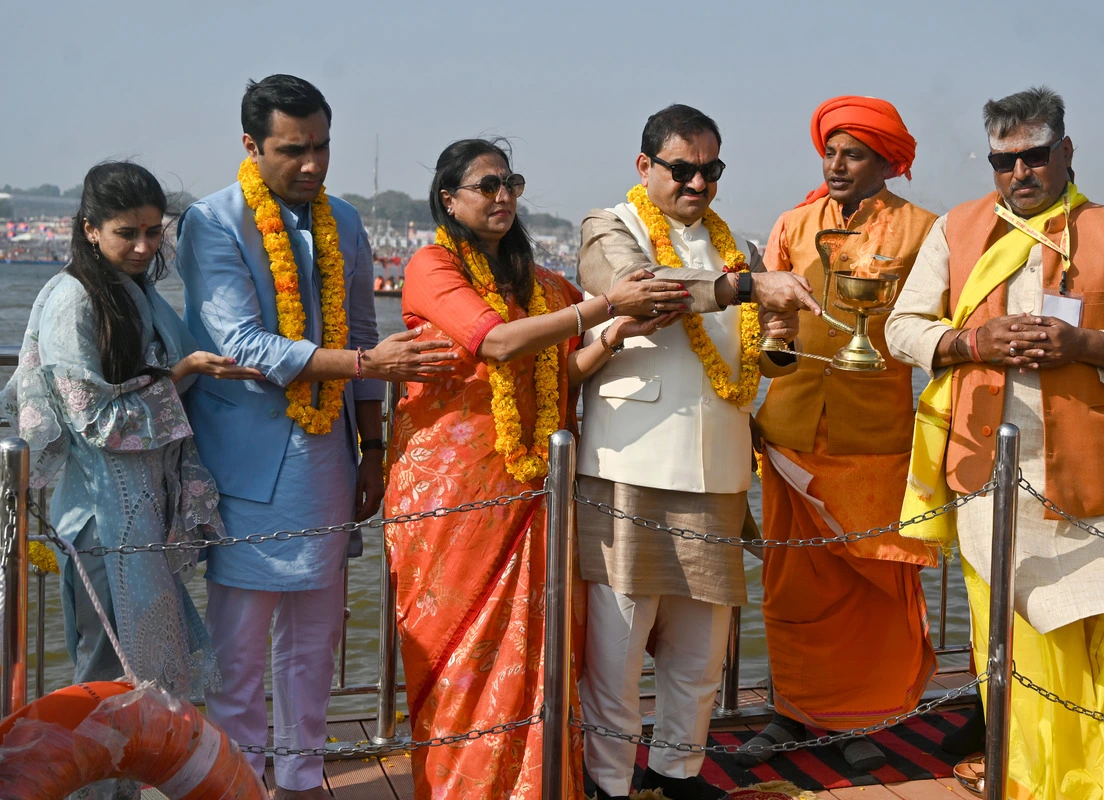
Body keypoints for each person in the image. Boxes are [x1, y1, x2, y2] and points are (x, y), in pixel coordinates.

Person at [885, 86, 1104, 800]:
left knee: (1103, 636)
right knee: (1013, 642)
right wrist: (969, 342)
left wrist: (1087, 343)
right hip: (985, 475)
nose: (1020, 172)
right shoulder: (957, 230)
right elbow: (901, 330)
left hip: (1091, 482)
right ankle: (1027, 778)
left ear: (1066, 152)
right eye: (1003, 161)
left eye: (1034, 156)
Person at [176, 75, 457, 800]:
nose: (312, 164)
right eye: (292, 150)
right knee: (238, 649)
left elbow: (363, 333)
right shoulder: (214, 222)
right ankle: (236, 780)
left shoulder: (346, 222)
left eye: (322, 146)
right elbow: (243, 342)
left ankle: (301, 778)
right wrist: (368, 364)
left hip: (329, 460)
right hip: (246, 469)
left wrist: (372, 450)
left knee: (313, 640)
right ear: (250, 146)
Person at [382, 138, 688, 799]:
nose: (502, 197)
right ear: (449, 199)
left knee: (539, 650)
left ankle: (537, 786)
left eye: (510, 183)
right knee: (454, 655)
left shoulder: (544, 285)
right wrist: (602, 307)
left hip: (535, 491)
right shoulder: (433, 267)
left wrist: (615, 331)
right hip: (451, 497)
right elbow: (491, 342)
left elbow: (564, 374)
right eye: (487, 185)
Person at [574, 104, 819, 800]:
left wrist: (778, 331)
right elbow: (648, 292)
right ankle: (609, 784)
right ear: (644, 165)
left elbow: (760, 360)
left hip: (715, 471)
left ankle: (677, 774)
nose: (698, 183)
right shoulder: (607, 227)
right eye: (682, 169)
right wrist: (749, 287)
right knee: (617, 655)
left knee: (699, 654)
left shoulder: (734, 244)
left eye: (711, 170)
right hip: (629, 469)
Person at [1, 161, 261, 800]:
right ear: (89, 229)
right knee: (104, 673)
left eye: (154, 232)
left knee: (136, 676)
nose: (145, 247)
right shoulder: (71, 300)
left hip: (139, 515)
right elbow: (93, 418)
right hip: (100, 518)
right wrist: (180, 375)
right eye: (128, 234)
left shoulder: (132, 289)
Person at [738, 96, 940, 771]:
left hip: (877, 439)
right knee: (791, 586)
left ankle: (868, 717)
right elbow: (765, 357)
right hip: (791, 436)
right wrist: (775, 341)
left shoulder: (924, 232)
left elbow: (935, 331)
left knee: (875, 589)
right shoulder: (794, 226)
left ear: (887, 161)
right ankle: (791, 713)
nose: (837, 165)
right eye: (831, 152)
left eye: (853, 154)